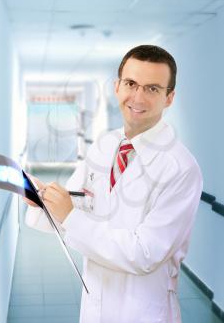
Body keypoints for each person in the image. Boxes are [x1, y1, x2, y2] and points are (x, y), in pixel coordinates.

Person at [25, 45, 203, 323]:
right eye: (131, 84)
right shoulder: (105, 144)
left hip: (142, 311)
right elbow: (76, 208)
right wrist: (43, 200)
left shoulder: (181, 168)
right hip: (94, 304)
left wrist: (70, 215)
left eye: (153, 88)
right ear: (117, 87)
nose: (138, 97)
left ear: (169, 98)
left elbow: (144, 254)